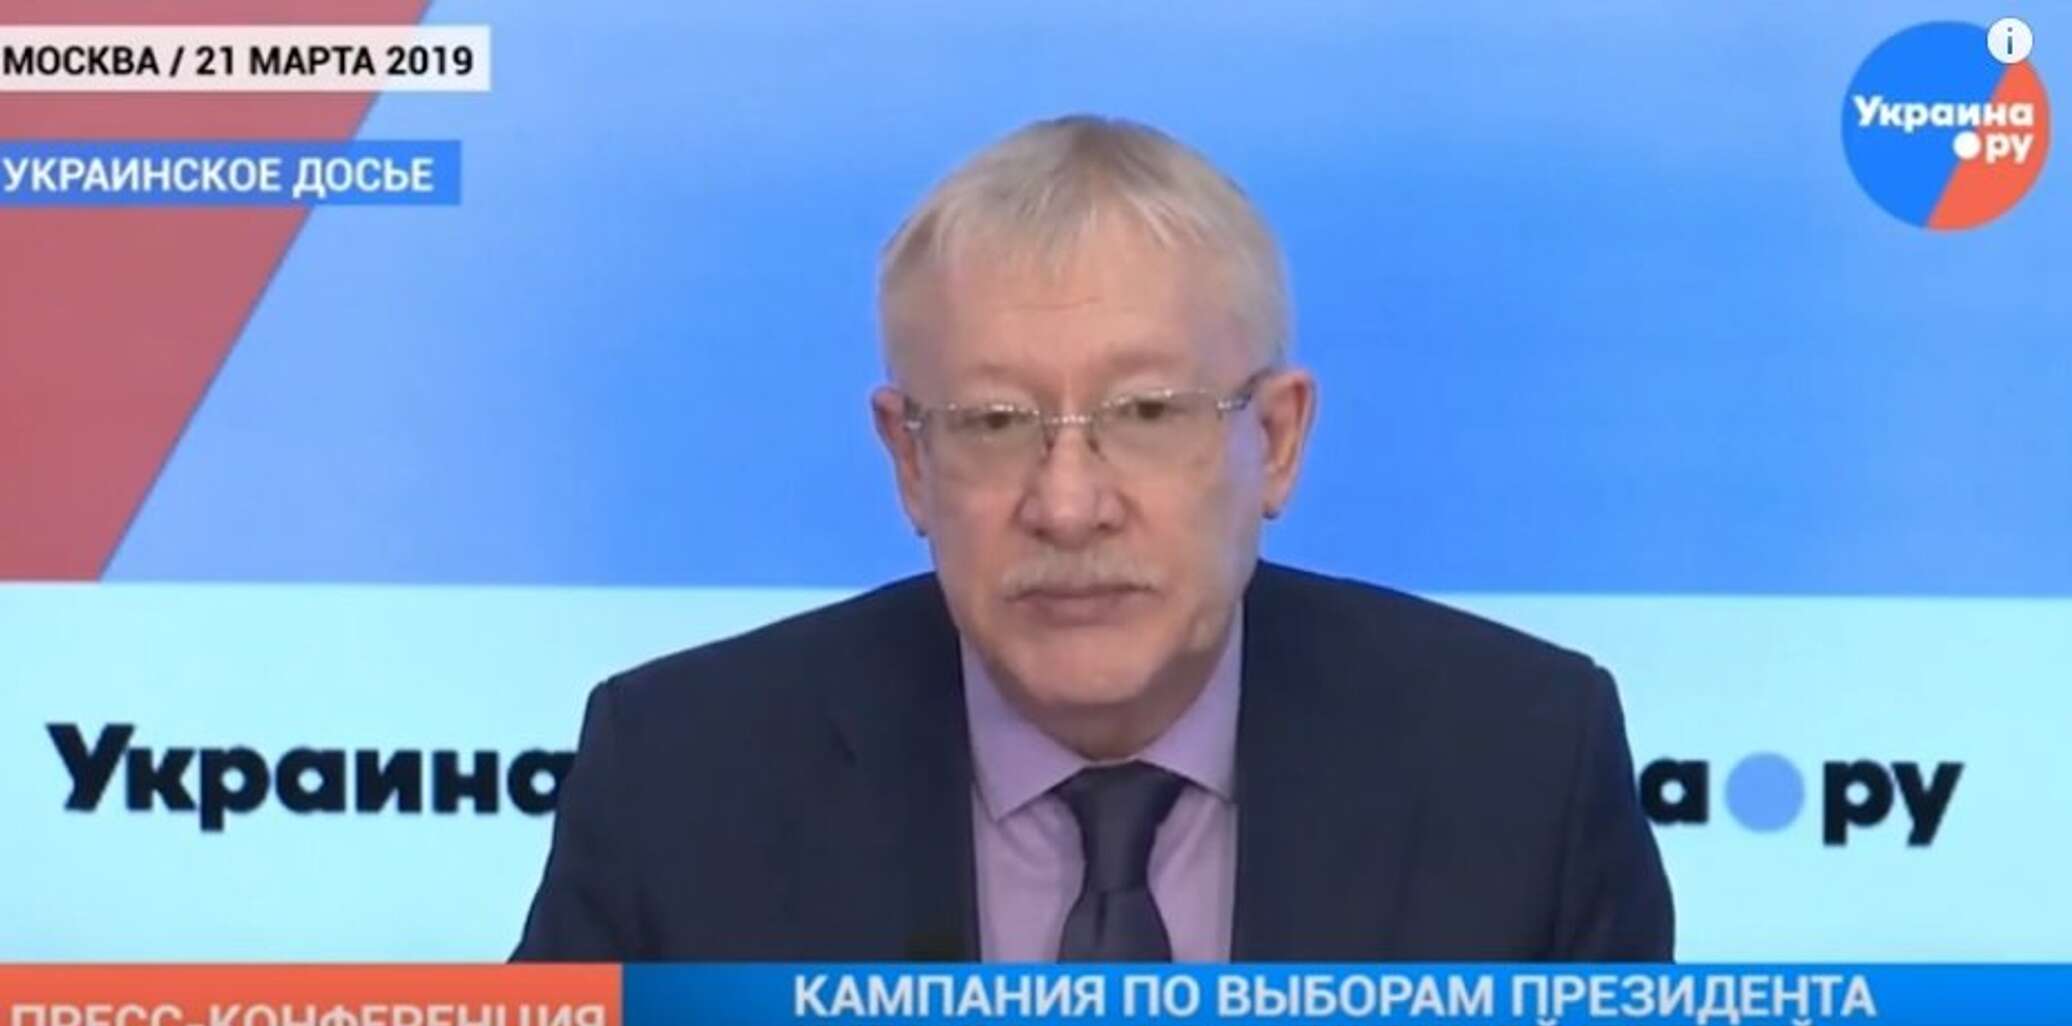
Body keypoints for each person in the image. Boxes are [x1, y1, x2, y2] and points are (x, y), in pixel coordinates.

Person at [513, 115, 1673, 962]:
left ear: (1274, 440)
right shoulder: (680, 778)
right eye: (992, 423)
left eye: (1147, 413)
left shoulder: (1519, 766)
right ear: (909, 461)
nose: (1067, 507)